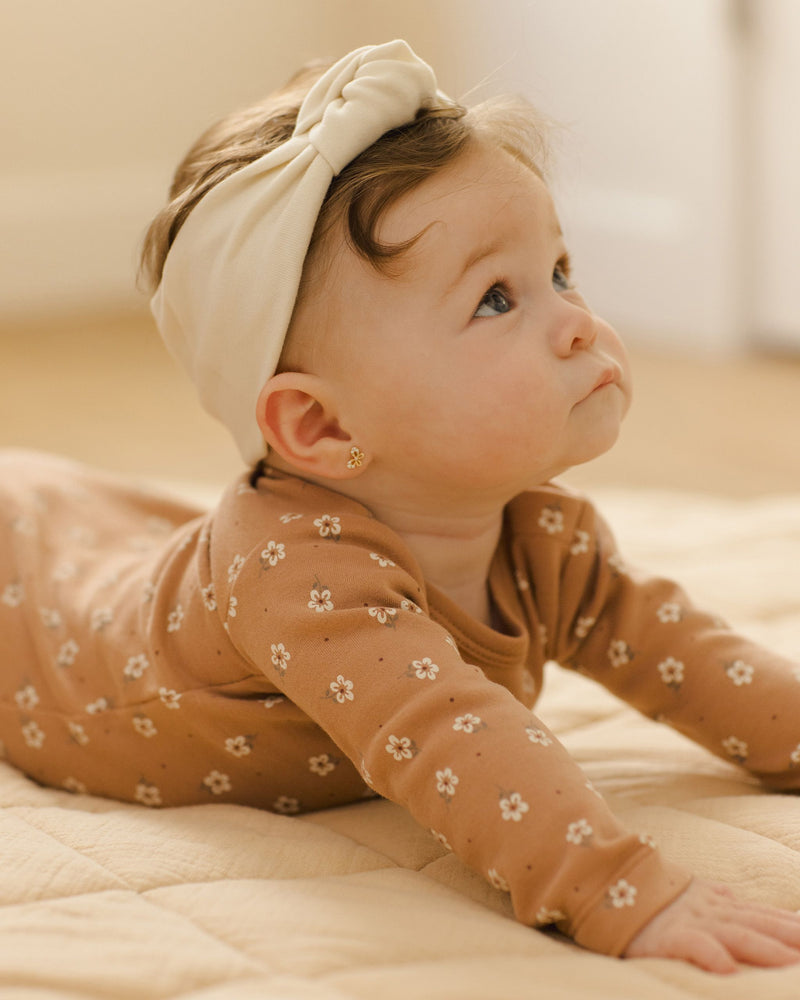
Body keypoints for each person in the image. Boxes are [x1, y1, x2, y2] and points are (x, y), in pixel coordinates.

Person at [2, 39, 800, 973]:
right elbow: (450, 730)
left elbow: (683, 653)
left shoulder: (538, 531)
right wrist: (617, 888)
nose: (578, 318)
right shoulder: (292, 569)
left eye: (560, 270)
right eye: (497, 300)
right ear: (318, 423)